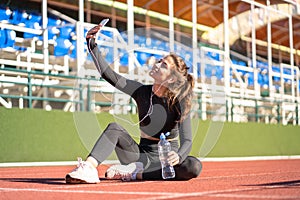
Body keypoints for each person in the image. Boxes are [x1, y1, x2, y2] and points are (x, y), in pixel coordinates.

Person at [65, 23, 202, 183]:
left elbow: (187, 140)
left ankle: (135, 174)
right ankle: (88, 169)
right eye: (159, 61)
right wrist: (91, 43)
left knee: (193, 166)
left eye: (163, 65)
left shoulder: (179, 102)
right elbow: (109, 74)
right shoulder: (141, 91)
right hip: (139, 157)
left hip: (165, 162)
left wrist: (178, 156)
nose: (156, 64)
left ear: (171, 78)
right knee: (114, 128)